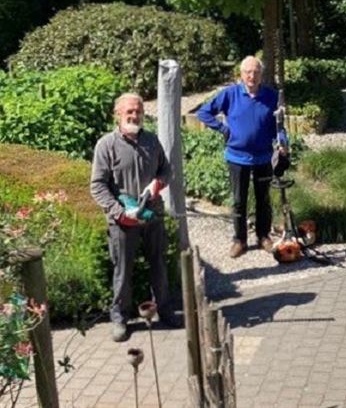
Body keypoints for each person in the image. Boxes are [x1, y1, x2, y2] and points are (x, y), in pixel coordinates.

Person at [90, 93, 178, 342]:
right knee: (123, 271)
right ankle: (119, 319)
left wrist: (157, 184)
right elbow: (97, 186)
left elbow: (166, 169)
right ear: (118, 114)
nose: (134, 115)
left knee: (158, 264)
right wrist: (119, 212)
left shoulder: (151, 141)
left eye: (138, 111)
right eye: (129, 111)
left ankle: (166, 311)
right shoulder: (106, 145)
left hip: (153, 215)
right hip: (122, 221)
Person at [196, 56, 284, 259]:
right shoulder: (230, 94)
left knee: (263, 199)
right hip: (237, 158)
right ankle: (239, 240)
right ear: (241, 74)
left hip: (263, 158)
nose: (251, 76)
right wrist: (223, 129)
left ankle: (263, 236)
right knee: (238, 201)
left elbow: (279, 125)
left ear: (261, 74)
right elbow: (204, 112)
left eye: (255, 72)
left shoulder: (271, 96)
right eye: (247, 72)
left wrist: (282, 142)